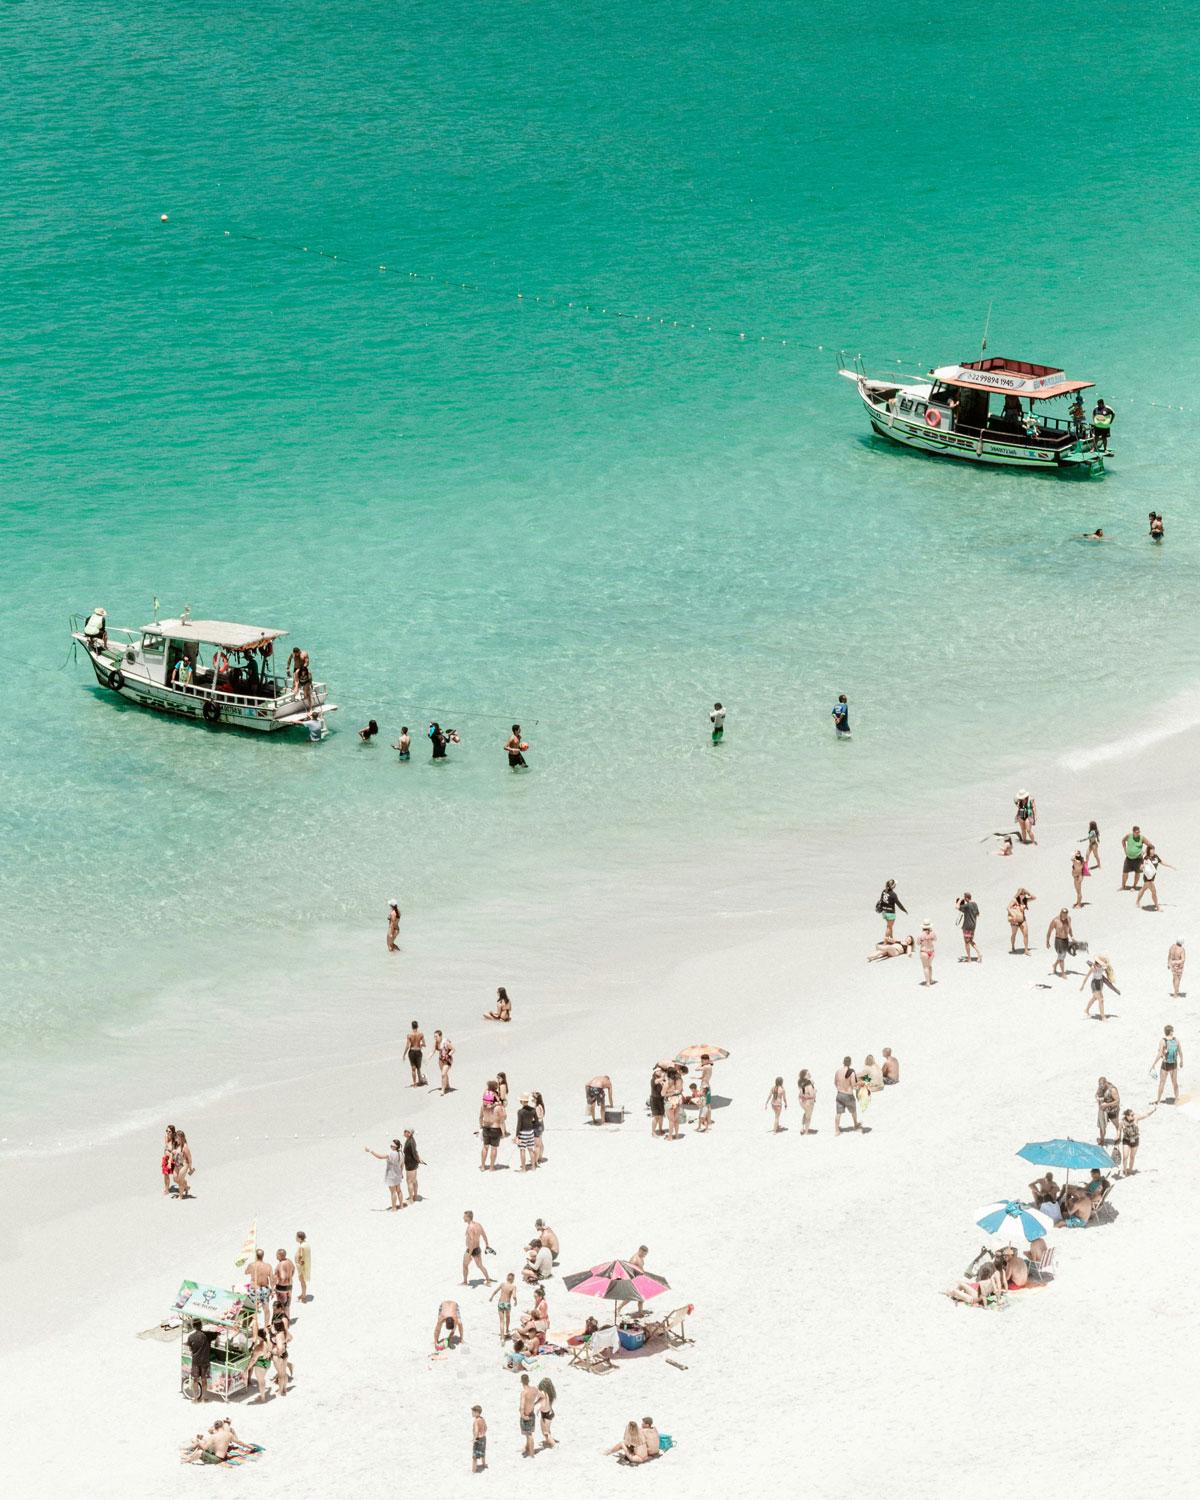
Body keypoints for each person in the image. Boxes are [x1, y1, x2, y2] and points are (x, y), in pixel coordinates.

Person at [364, 1140, 406, 1210]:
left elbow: (379, 1157)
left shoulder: (390, 1153)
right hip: (398, 1173)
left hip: (391, 1175)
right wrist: (401, 1173)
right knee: (399, 1190)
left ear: (394, 1146)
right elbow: (402, 1164)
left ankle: (394, 1208)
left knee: (393, 1192)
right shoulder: (401, 1153)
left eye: (391, 1145)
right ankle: (401, 1206)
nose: (390, 1146)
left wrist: (370, 1150)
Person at [1118, 1105, 1155, 1176]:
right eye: (1132, 1115)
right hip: (1126, 1140)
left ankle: (1130, 1170)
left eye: (1133, 1114)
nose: (1133, 1115)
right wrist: (1117, 1136)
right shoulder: (1122, 1122)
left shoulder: (1136, 1118)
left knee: (1132, 1156)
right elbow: (1119, 1130)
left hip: (1135, 1140)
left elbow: (1146, 1115)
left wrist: (1153, 1110)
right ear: (1127, 1116)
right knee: (1125, 1156)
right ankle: (1125, 1170)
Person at [185, 1325, 217, 1402]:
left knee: (195, 1380)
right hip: (205, 1361)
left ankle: (195, 1398)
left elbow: (189, 1347)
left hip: (195, 1361)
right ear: (201, 1326)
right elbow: (217, 1334)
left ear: (193, 1326)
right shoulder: (208, 1335)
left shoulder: (191, 1336)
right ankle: (203, 1398)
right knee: (203, 1379)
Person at [1082, 955, 1119, 1020]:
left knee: (1094, 998)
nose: (1102, 965)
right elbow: (1087, 977)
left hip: (1100, 983)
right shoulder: (1093, 968)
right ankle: (1103, 1017)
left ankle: (1086, 1010)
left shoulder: (1102, 967)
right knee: (1101, 1000)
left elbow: (1108, 969)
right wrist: (1082, 986)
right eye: (1100, 964)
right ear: (1097, 963)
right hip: (1094, 984)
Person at [1153, 1025, 1183, 1103]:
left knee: (1162, 1083)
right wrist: (1181, 1061)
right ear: (1171, 1032)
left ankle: (1158, 1100)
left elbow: (1159, 1054)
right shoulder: (1176, 1040)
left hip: (1165, 1065)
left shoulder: (1162, 1041)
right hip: (1174, 1064)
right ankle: (1176, 1098)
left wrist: (1153, 1064)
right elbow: (1180, 1052)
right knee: (1175, 1082)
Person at [463, 1211, 494, 1286]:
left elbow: (472, 1240)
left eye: (464, 1216)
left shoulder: (470, 1227)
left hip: (470, 1249)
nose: (463, 1218)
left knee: (464, 1265)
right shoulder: (478, 1225)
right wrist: (487, 1245)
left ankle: (465, 1282)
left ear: (468, 1217)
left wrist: (470, 1254)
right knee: (480, 1265)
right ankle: (488, 1280)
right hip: (477, 1249)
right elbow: (484, 1235)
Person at [834, 1057, 859, 1135]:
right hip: (848, 1095)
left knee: (838, 1113)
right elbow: (854, 1085)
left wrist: (840, 1088)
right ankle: (855, 1125)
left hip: (839, 1094)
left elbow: (835, 1082)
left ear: (843, 1062)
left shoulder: (838, 1071)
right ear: (850, 1063)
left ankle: (836, 1130)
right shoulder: (851, 1072)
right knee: (853, 1111)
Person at [1046, 908, 1074, 978]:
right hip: (1058, 941)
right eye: (1063, 914)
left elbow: (1070, 929)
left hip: (1066, 940)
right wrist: (1047, 941)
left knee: (1062, 956)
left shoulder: (1069, 919)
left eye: (1066, 914)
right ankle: (1063, 973)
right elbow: (1049, 931)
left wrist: (1072, 937)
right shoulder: (1055, 920)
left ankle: (1055, 965)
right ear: (1060, 913)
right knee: (1062, 957)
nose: (1065, 916)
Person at [479, 1090, 502, 1172]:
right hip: (495, 1128)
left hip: (485, 1128)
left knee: (485, 1147)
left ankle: (482, 1166)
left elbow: (480, 1117)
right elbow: (503, 1117)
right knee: (494, 1149)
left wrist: (481, 1127)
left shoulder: (483, 1106)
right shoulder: (497, 1107)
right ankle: (491, 1167)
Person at [490, 1273, 517, 1339]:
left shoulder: (502, 1284)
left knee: (501, 1321)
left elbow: (495, 1291)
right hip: (507, 1304)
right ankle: (507, 1330)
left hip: (501, 1303)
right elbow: (514, 1296)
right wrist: (516, 1301)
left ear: (507, 1278)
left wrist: (491, 1297)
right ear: (513, 1279)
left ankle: (502, 1337)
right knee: (507, 1318)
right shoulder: (513, 1287)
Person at [515, 1094, 538, 1171]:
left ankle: (524, 1169)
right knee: (530, 1149)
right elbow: (536, 1121)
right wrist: (531, 1124)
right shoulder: (533, 1110)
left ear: (521, 1102)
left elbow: (519, 1124)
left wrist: (516, 1135)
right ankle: (533, 1167)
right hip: (530, 1132)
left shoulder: (520, 1112)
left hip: (523, 1133)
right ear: (527, 1101)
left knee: (522, 1150)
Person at [956, 893, 981, 962]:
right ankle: (979, 953)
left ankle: (969, 958)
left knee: (967, 942)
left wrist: (960, 900)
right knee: (970, 941)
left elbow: (957, 907)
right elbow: (978, 914)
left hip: (967, 926)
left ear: (966, 898)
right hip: (973, 925)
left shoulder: (967, 906)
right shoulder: (975, 904)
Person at [1095, 1077, 1121, 1144]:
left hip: (1113, 1110)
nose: (1101, 1087)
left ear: (1106, 1083)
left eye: (1102, 1085)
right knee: (1102, 1127)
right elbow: (1096, 1095)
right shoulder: (1100, 1087)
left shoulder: (1112, 1090)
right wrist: (1098, 1098)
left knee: (1116, 1125)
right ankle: (1102, 1140)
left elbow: (1117, 1101)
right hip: (1104, 1111)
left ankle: (1119, 1137)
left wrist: (1107, 1105)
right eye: (1100, 1085)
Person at [518, 1374, 539, 1458]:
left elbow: (522, 1405)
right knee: (528, 1434)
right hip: (532, 1414)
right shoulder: (534, 1389)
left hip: (526, 1415)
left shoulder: (524, 1393)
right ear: (528, 1380)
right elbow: (541, 1396)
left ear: (521, 1382)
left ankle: (532, 1454)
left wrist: (522, 1415)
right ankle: (527, 1448)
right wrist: (534, 1404)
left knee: (529, 1435)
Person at [1008, 888, 1034, 954]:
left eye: (1024, 894)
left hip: (1022, 919)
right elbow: (1008, 907)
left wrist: (1028, 892)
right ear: (1018, 894)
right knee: (1014, 934)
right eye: (1021, 894)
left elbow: (1034, 897)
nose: (1023, 895)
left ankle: (1026, 950)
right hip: (1015, 920)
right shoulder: (1014, 900)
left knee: (1026, 934)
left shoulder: (1025, 900)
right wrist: (1013, 915)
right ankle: (1013, 947)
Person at [1136, 843, 1162, 909]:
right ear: (1149, 850)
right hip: (1148, 878)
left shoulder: (1156, 856)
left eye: (1154, 849)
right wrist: (1142, 867)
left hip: (1152, 877)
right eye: (1151, 849)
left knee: (1143, 889)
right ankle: (1157, 906)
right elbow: (1141, 867)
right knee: (1154, 891)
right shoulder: (1146, 858)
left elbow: (1161, 862)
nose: (1153, 851)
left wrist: (1170, 866)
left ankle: (1137, 902)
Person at [403, 1129, 424, 1202]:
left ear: (410, 1133)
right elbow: (415, 1151)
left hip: (410, 1164)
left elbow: (414, 1152)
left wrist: (418, 1159)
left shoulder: (410, 1141)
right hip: (413, 1163)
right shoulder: (411, 1140)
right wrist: (418, 1159)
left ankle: (411, 1199)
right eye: (404, 1131)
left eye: (406, 1132)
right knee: (414, 1180)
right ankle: (414, 1196)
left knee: (409, 1181)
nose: (404, 1133)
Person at [172, 1130, 194, 1200]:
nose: (175, 1139)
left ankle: (181, 1196)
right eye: (175, 1138)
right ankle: (186, 1187)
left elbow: (189, 1158)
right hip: (177, 1165)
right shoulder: (177, 1145)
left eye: (177, 1138)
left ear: (181, 1138)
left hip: (184, 1165)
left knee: (180, 1180)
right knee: (175, 1179)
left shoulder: (185, 1147)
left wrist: (190, 1168)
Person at [273, 1248, 294, 1317]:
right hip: (290, 1286)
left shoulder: (280, 1265)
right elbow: (293, 1269)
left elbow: (281, 1277)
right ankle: (287, 1319)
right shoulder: (289, 1261)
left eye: (276, 1255)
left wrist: (275, 1285)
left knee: (281, 1305)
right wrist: (290, 1277)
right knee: (287, 1304)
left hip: (281, 1287)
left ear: (280, 1255)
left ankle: (283, 1320)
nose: (276, 1256)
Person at [537, 1376, 557, 1449]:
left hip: (545, 1415)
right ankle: (549, 1441)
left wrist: (538, 1409)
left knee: (545, 1432)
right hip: (550, 1413)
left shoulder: (542, 1394)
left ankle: (554, 1445)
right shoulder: (550, 1393)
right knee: (547, 1430)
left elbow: (543, 1404)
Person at [696, 1054, 714, 1133]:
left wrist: (701, 1064)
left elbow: (697, 1069)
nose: (701, 1061)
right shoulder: (709, 1066)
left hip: (705, 1086)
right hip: (707, 1085)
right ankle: (708, 1121)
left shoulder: (707, 1066)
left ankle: (705, 1122)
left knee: (704, 1104)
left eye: (702, 1060)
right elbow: (704, 1076)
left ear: (706, 1060)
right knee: (708, 1104)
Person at [406, 1021, 425, 1087]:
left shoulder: (409, 1035)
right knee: (418, 1068)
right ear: (417, 1026)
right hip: (418, 1052)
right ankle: (420, 1080)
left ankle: (414, 1084)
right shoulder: (421, 1034)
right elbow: (424, 1044)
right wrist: (421, 1045)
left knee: (413, 1068)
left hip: (411, 1052)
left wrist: (404, 1054)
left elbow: (408, 1046)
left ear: (412, 1026)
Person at [649, 1064, 666, 1137]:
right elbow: (657, 1081)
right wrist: (663, 1077)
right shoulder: (653, 1079)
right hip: (654, 1099)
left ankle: (660, 1129)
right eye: (658, 1071)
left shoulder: (662, 1079)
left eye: (660, 1071)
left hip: (661, 1099)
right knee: (656, 1116)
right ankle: (653, 1132)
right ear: (655, 1072)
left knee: (661, 1115)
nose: (660, 1072)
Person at [918, 920, 936, 986]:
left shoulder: (921, 934)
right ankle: (930, 979)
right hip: (931, 951)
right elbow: (935, 939)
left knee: (925, 967)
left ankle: (927, 982)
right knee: (930, 966)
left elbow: (918, 943)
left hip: (924, 951)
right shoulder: (933, 933)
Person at [161, 1125, 178, 1196]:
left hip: (174, 1159)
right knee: (165, 1173)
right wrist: (167, 1153)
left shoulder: (175, 1140)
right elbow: (166, 1148)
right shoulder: (166, 1137)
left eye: (169, 1131)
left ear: (173, 1132)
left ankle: (185, 1186)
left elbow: (174, 1151)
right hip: (166, 1158)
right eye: (167, 1131)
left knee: (176, 1177)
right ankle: (167, 1188)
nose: (168, 1133)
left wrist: (170, 1157)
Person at [294, 1231, 310, 1302]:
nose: (295, 1238)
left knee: (302, 1281)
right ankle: (303, 1293)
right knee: (302, 1281)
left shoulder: (301, 1247)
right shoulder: (306, 1244)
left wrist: (298, 1262)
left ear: (300, 1238)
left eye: (296, 1237)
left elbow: (300, 1256)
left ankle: (303, 1296)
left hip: (301, 1267)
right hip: (305, 1265)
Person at [471, 1406, 487, 1473]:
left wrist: (474, 1439)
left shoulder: (476, 1421)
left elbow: (476, 1431)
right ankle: (483, 1464)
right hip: (483, 1438)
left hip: (478, 1438)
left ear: (477, 1412)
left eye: (473, 1412)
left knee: (475, 1456)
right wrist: (483, 1433)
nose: (472, 1413)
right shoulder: (482, 1419)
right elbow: (486, 1427)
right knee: (482, 1452)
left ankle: (474, 1470)